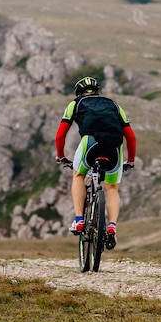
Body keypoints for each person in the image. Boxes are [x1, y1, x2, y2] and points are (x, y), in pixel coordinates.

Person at [55, 76, 136, 249]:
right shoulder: (114, 105)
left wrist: (61, 155)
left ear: (79, 92)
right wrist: (131, 160)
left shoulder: (75, 104)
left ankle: (79, 220)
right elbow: (130, 136)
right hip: (115, 145)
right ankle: (112, 227)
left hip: (90, 143)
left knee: (78, 175)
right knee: (112, 188)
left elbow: (60, 135)